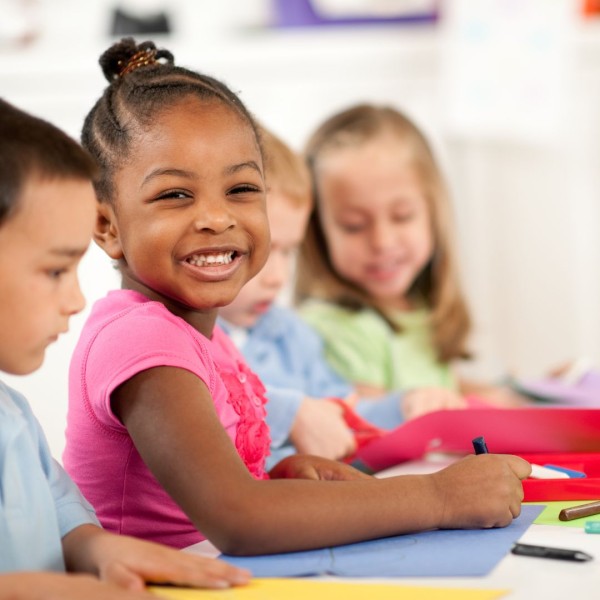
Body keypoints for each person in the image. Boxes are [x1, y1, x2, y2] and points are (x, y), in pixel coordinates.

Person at [63, 38, 530, 558]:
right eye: (175, 194)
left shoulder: (201, 335)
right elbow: (238, 520)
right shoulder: (140, 339)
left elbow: (226, 497)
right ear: (106, 225)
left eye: (241, 189)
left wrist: (279, 478)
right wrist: (439, 496)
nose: (218, 217)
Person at [0, 98, 250, 598]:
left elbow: (62, 515)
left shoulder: (13, 413)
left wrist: (102, 550)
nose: (75, 300)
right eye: (54, 271)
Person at [218, 127, 464, 468]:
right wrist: (291, 415)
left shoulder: (292, 334)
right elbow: (202, 409)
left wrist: (405, 405)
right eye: (256, 251)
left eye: (288, 252)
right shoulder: (188, 339)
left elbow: (344, 409)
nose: (277, 277)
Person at [296, 104, 525, 406]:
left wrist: (510, 394)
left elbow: (439, 384)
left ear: (433, 213)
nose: (382, 241)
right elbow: (371, 425)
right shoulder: (335, 327)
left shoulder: (415, 308)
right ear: (319, 231)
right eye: (354, 226)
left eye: (402, 216)